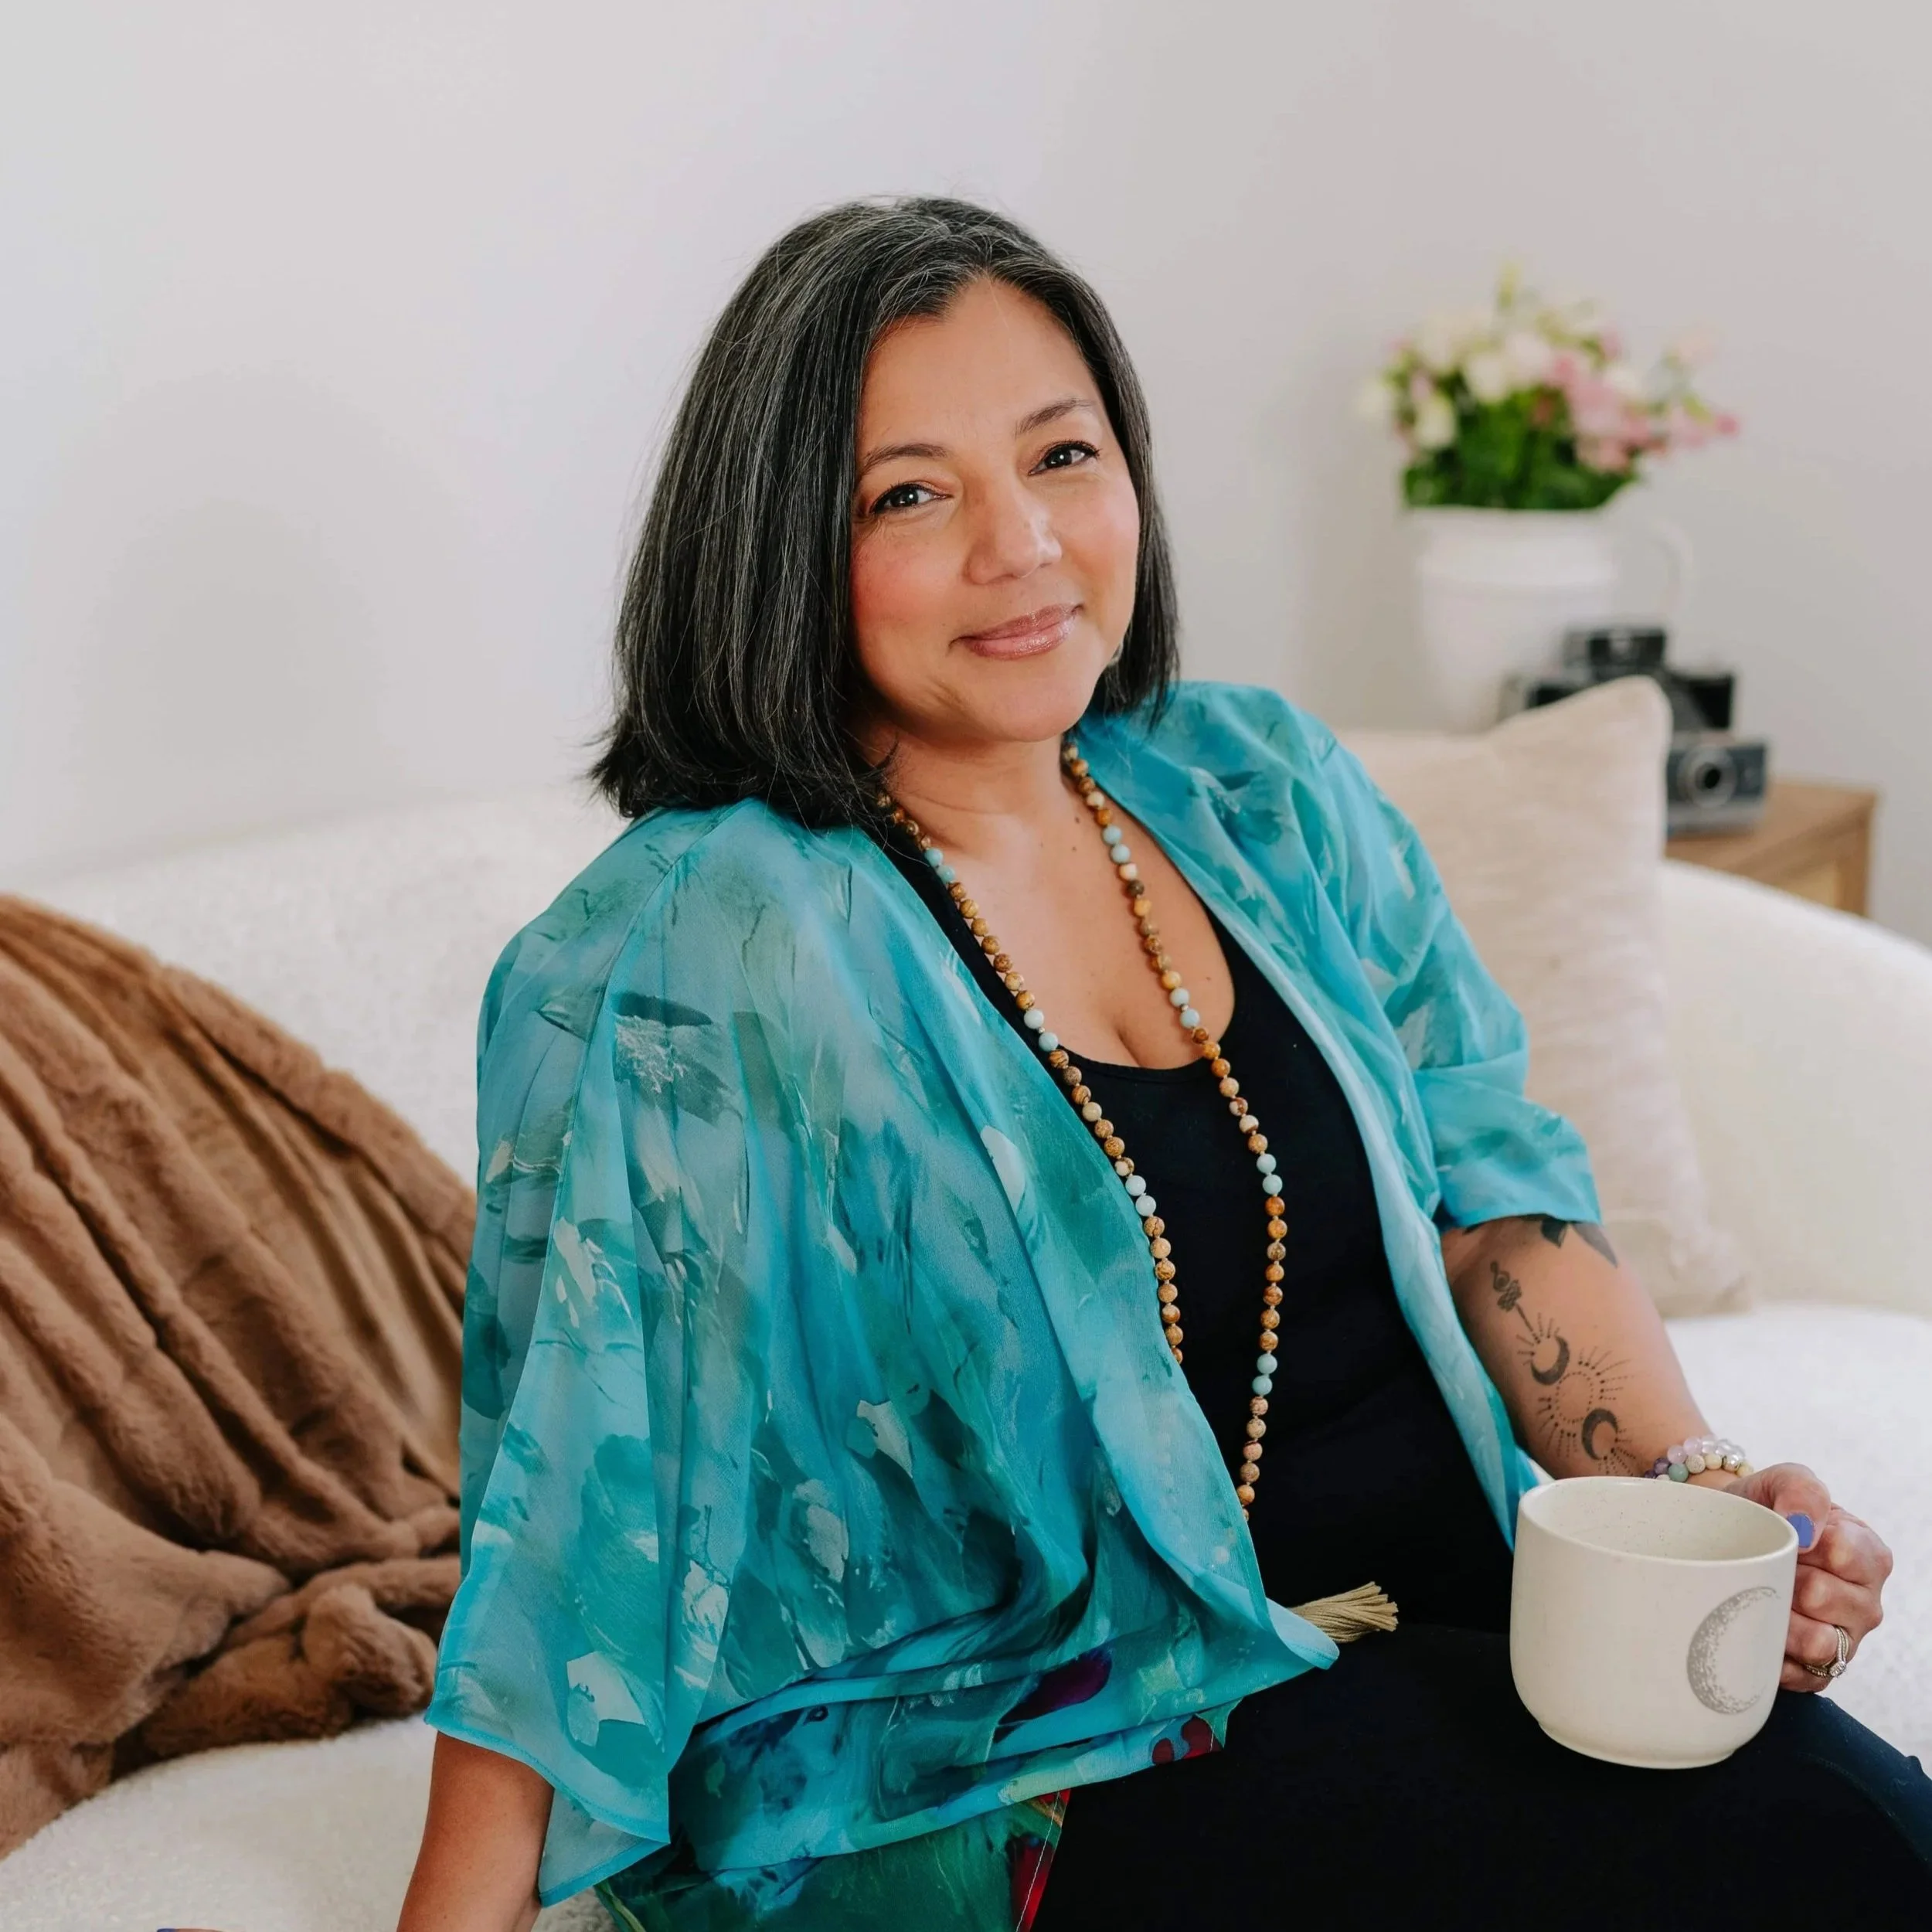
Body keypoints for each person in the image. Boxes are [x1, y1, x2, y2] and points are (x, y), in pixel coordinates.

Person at [398, 198, 1930, 1932]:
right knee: (1814, 1846)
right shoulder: (708, 936)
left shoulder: (1253, 786)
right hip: (1041, 1757)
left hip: (1446, 1633)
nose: (1022, 544)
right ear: (777, 549)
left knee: (1856, 1825)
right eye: (910, 492)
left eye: (1062, 454)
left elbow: (1493, 1197)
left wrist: (1696, 1490)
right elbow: (581, 1484)